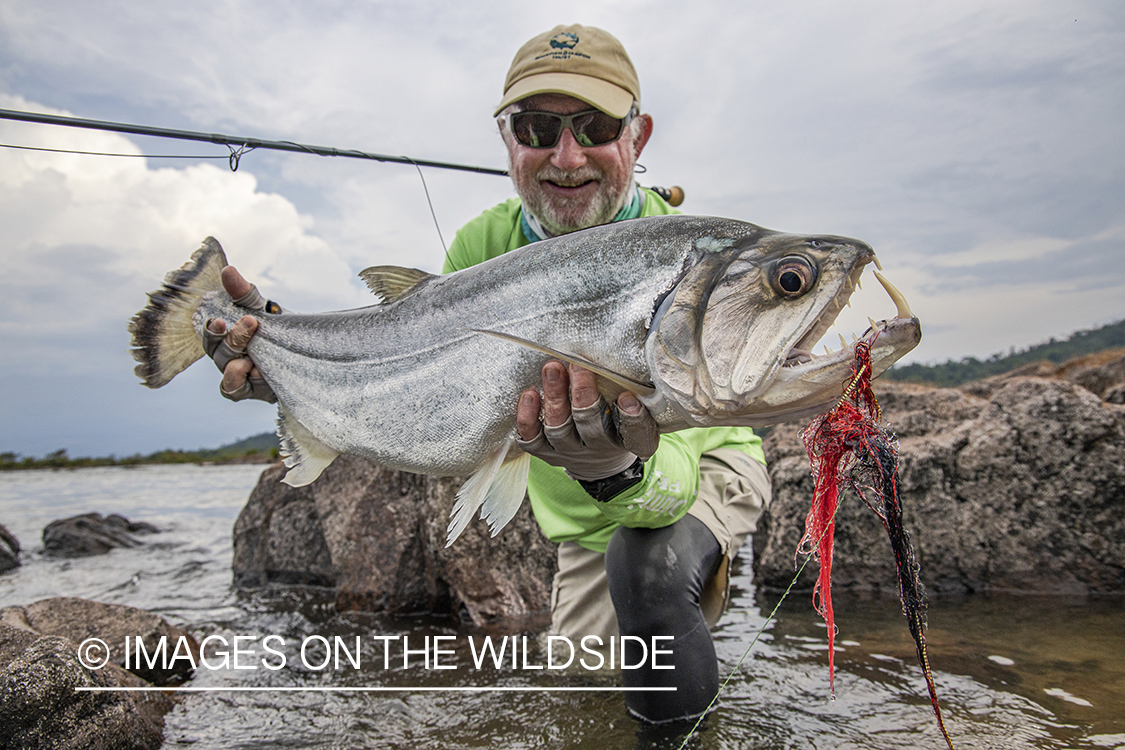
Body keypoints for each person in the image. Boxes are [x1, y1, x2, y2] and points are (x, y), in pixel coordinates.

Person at [204, 24, 771, 725]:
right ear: (508, 139)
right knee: (586, 701)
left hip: (701, 470)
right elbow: (418, 362)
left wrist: (613, 469)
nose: (566, 157)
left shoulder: (680, 256)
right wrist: (276, 347)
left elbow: (664, 491)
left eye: (592, 125)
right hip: (580, 513)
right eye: (537, 127)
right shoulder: (481, 243)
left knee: (647, 572)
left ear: (638, 136)